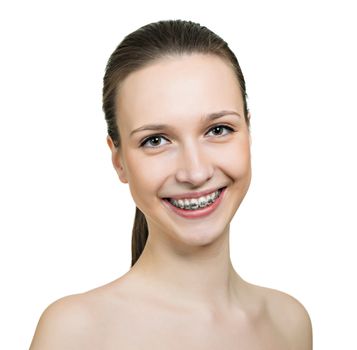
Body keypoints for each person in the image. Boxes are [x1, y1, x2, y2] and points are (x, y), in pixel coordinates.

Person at [29, 19, 313, 349]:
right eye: (156, 140)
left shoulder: (289, 323)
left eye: (218, 130)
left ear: (248, 132)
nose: (194, 172)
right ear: (119, 160)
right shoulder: (74, 332)